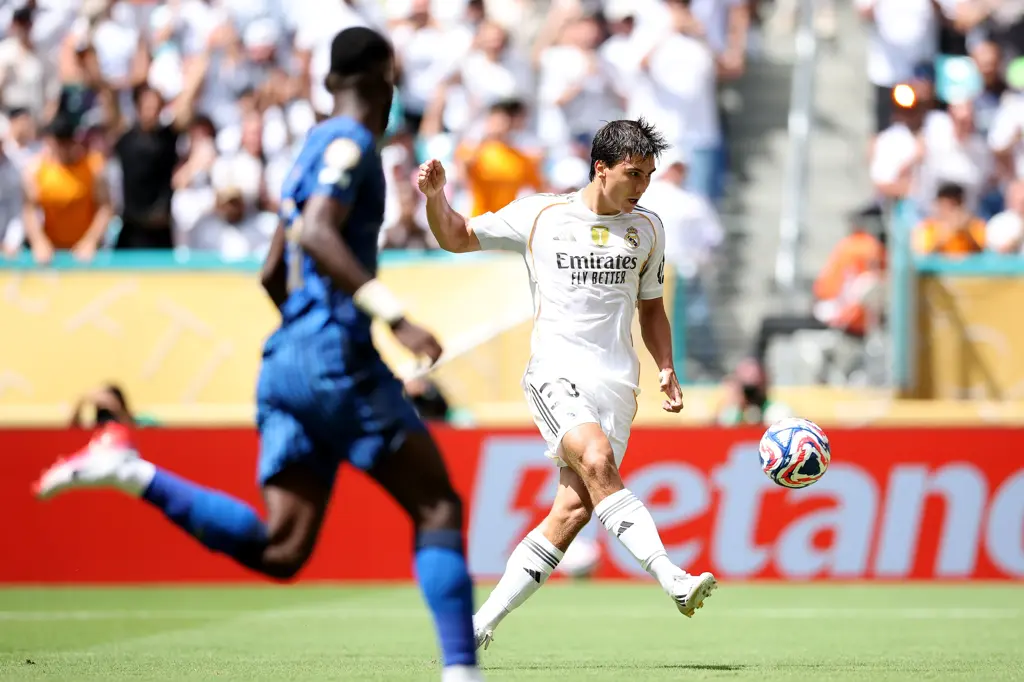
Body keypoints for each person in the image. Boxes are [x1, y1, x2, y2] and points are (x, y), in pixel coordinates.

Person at [34, 27, 483, 682]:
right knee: (438, 505)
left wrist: (306, 341)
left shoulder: (308, 151)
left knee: (282, 549)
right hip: (335, 354)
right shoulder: (353, 143)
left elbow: (274, 271)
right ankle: (463, 674)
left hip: (285, 362)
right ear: (386, 77)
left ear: (330, 82)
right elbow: (320, 232)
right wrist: (397, 319)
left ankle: (133, 471)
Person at [417, 118, 718, 651]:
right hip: (555, 370)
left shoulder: (647, 228)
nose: (643, 186)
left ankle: (478, 625)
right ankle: (671, 576)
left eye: (649, 175)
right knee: (598, 460)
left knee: (574, 511)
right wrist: (436, 197)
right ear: (600, 168)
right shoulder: (541, 214)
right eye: (634, 174)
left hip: (617, 383)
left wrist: (666, 365)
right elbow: (456, 236)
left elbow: (653, 309)